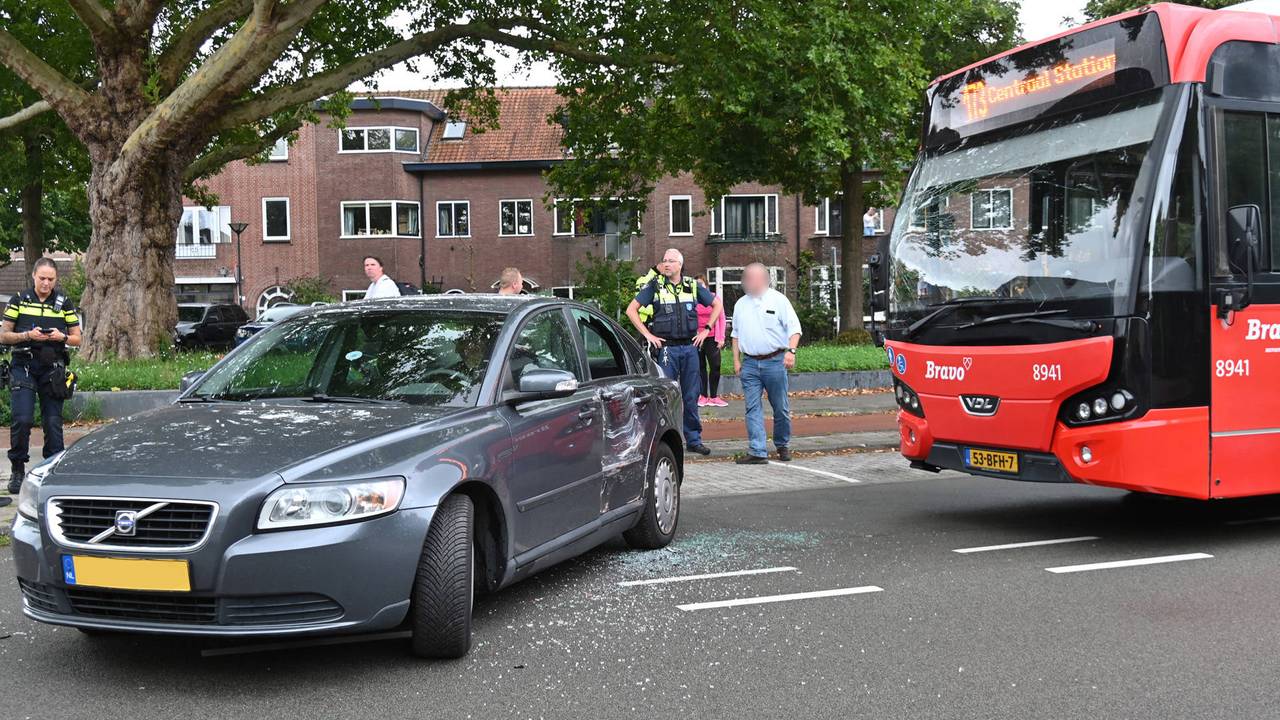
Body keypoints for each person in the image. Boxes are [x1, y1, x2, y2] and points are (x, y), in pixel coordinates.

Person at [625, 249, 723, 456]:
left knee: (691, 395)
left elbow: (717, 305)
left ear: (680, 265)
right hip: (667, 348)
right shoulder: (655, 287)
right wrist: (648, 334)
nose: (666, 264)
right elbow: (631, 310)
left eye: (671, 261)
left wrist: (706, 330)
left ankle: (694, 440)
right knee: (665, 397)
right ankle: (663, 441)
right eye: (664, 261)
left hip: (689, 348)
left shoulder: (692, 286)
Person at [1, 258, 82, 498]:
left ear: (55, 280)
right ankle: (17, 469)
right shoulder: (19, 300)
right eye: (42, 278)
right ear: (34, 277)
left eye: (51, 279)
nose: (46, 283)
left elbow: (78, 338)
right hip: (23, 365)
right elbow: (4, 335)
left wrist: (61, 336)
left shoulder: (63, 303)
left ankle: (52, 470)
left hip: (52, 368)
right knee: (23, 419)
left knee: (53, 422)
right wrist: (27, 334)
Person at [731, 262, 802, 464]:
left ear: (764, 279)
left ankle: (782, 444)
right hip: (750, 363)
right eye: (746, 278)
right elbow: (735, 335)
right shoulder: (740, 304)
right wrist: (736, 360)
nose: (749, 282)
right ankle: (757, 450)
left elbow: (794, 329)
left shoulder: (779, 301)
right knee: (752, 407)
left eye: (753, 278)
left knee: (780, 406)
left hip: (775, 361)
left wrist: (791, 351)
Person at [694, 274, 727, 407]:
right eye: (697, 284)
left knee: (715, 366)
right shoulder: (693, 299)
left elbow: (721, 318)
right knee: (700, 367)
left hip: (713, 336)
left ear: (706, 286)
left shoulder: (714, 298)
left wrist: (721, 337)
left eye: (701, 284)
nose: (699, 287)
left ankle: (714, 396)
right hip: (697, 338)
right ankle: (703, 396)